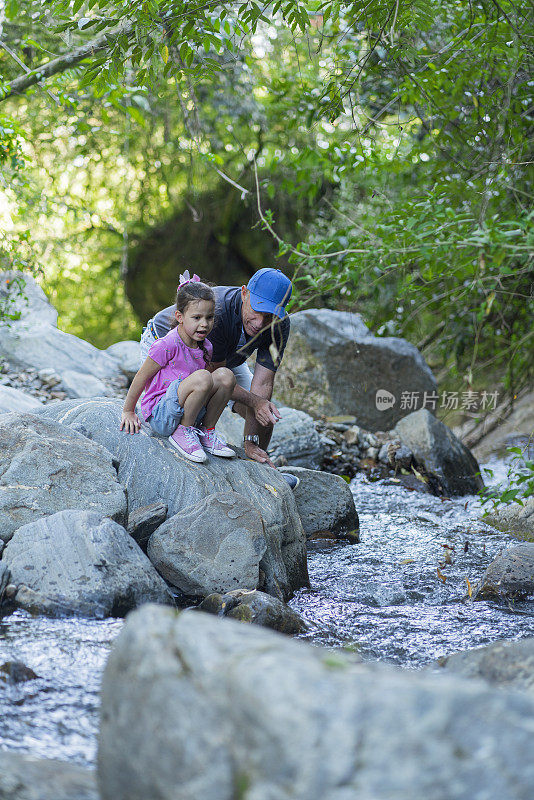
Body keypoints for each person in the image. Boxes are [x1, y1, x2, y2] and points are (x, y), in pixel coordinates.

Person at [140, 268, 298, 488]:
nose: (261, 323)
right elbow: (213, 376)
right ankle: (193, 436)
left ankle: (260, 463)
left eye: (270, 315)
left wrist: (252, 435)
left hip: (226, 357)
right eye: (257, 310)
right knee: (194, 401)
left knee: (265, 411)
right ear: (244, 294)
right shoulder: (216, 314)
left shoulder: (280, 324)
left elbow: (263, 383)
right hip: (171, 347)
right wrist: (254, 401)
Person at [120, 273, 236, 463]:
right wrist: (128, 411)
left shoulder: (206, 346)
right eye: (197, 317)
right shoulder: (167, 344)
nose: (204, 324)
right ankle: (182, 433)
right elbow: (141, 377)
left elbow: (205, 388)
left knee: (226, 376)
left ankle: (206, 431)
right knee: (204, 377)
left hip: (188, 408)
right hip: (162, 414)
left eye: (210, 317)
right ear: (179, 317)